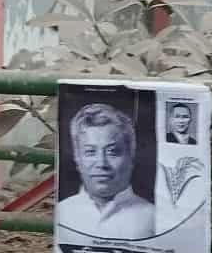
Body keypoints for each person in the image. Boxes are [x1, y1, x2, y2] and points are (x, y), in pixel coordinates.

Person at [55, 101, 155, 238]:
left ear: (131, 156)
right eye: (90, 152)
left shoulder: (153, 218)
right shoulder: (62, 212)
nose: (101, 163)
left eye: (112, 152)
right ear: (77, 157)